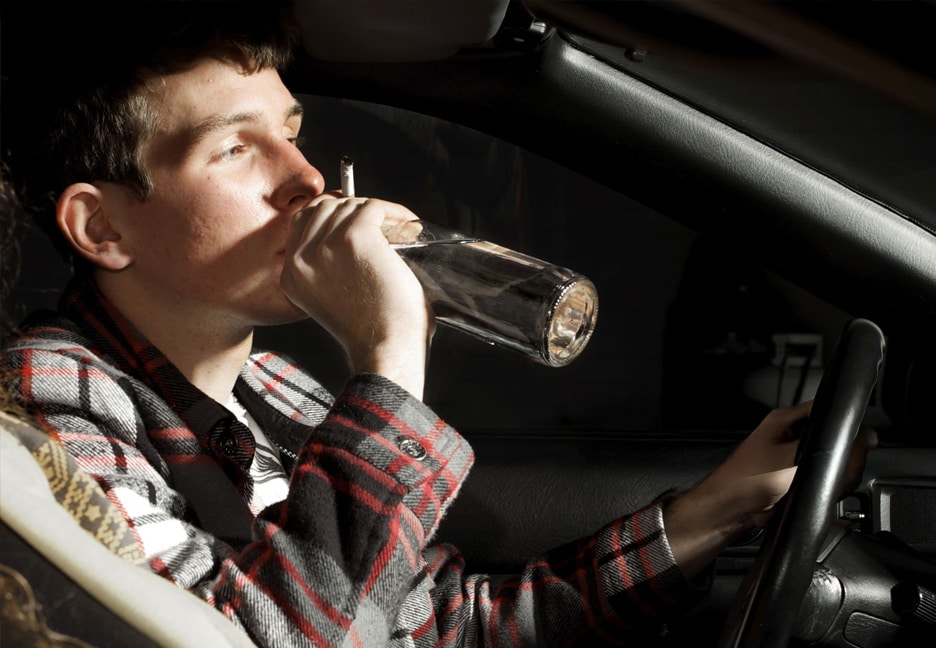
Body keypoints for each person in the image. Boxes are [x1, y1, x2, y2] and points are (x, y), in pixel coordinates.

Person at [1, 2, 811, 646]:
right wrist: (388, 356)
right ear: (102, 228)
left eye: (290, 134)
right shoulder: (43, 406)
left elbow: (439, 627)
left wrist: (716, 511)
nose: (306, 178)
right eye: (235, 150)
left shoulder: (271, 387)